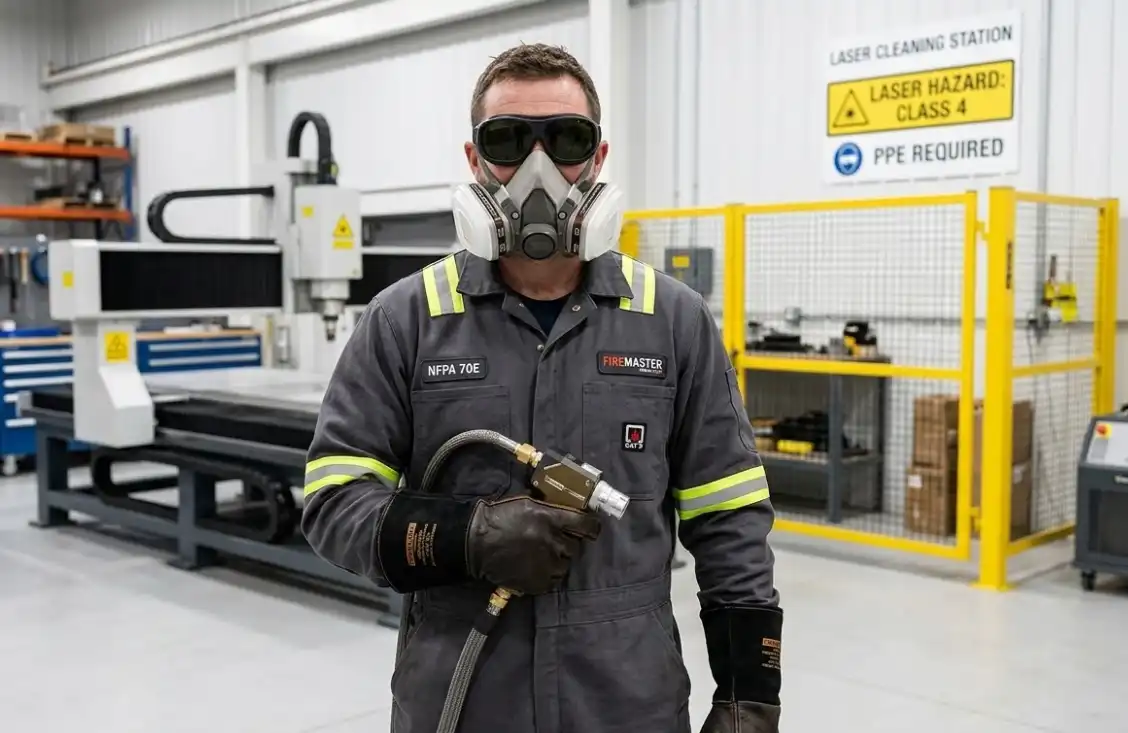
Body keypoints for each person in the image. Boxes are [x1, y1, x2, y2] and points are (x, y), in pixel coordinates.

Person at [302, 42, 783, 733]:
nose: (538, 169)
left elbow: (730, 513)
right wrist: (464, 536)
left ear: (598, 157)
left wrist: (749, 696)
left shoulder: (672, 322)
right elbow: (332, 500)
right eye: (506, 141)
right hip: (462, 702)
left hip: (627, 702)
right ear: (474, 161)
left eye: (565, 140)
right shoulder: (404, 320)